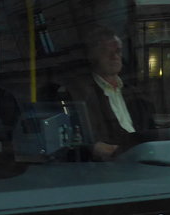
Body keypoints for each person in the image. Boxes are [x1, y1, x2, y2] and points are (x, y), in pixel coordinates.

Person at [54, 28, 156, 160]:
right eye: (106, 52)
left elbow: (151, 131)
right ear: (92, 56)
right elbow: (81, 141)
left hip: (143, 159)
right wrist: (96, 148)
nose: (114, 57)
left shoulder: (135, 93)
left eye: (118, 51)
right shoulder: (78, 94)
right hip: (106, 165)